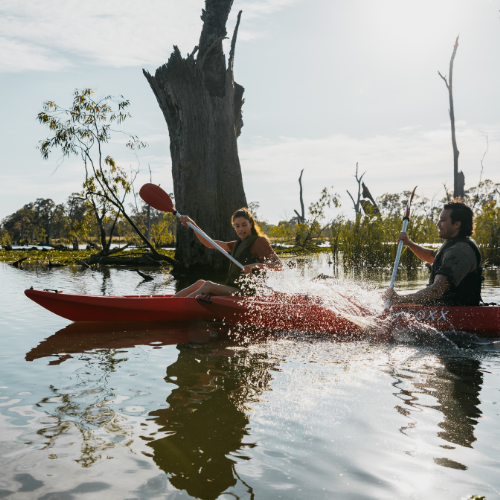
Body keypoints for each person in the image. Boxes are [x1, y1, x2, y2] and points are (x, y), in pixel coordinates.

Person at [383, 199, 483, 306]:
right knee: (398, 303)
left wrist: (399, 299)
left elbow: (436, 290)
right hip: (442, 307)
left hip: (455, 312)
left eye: (443, 220)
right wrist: (409, 243)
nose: (438, 224)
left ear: (457, 224)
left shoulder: (458, 251)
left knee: (398, 303)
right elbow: (431, 256)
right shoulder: (454, 244)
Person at [173, 207, 283, 298]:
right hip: (234, 289)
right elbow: (208, 243)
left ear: (251, 224)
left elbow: (279, 265)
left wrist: (256, 265)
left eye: (244, 225)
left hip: (250, 292)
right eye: (237, 226)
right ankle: (170, 302)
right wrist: (192, 223)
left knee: (208, 285)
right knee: (200, 283)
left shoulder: (260, 242)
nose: (241, 229)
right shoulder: (236, 244)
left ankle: (179, 307)